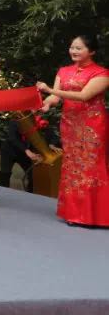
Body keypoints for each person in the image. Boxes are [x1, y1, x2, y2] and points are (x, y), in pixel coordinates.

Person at [37, 34, 109, 227]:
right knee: (72, 166)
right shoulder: (64, 71)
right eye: (72, 47)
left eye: (79, 48)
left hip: (92, 125)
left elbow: (84, 96)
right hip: (70, 124)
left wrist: (50, 91)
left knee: (91, 166)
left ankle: (95, 216)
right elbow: (55, 98)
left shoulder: (101, 73)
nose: (74, 51)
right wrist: (46, 103)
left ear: (91, 51)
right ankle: (74, 213)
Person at [0, 114, 55, 192]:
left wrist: (51, 144)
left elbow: (51, 134)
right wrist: (27, 150)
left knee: (32, 175)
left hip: (25, 153)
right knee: (5, 174)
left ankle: (31, 194)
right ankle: (2, 193)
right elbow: (13, 138)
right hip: (9, 151)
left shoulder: (40, 121)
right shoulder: (15, 120)